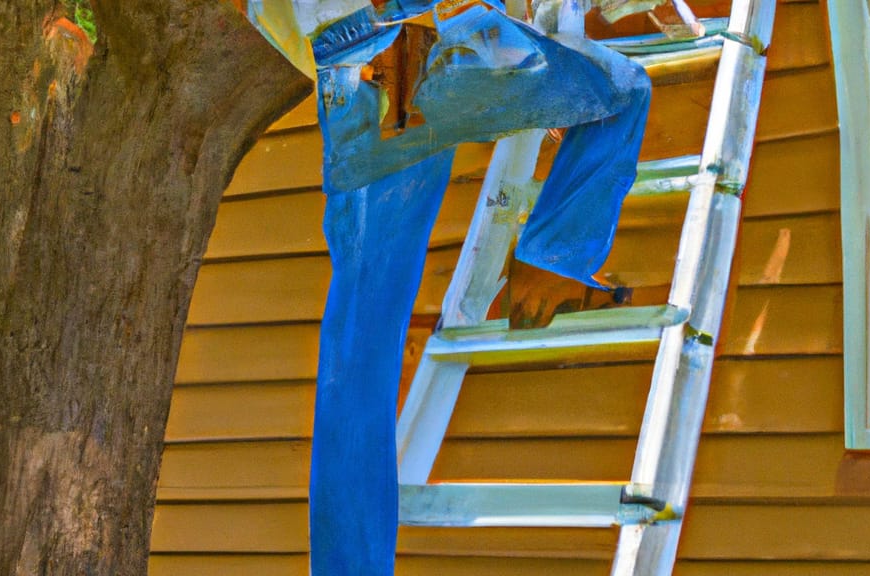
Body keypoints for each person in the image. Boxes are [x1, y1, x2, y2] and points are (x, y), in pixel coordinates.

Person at [249, 1, 653, 573]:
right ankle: (551, 255)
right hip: (431, 39)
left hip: (347, 69)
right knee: (626, 89)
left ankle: (348, 566)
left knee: (360, 348)